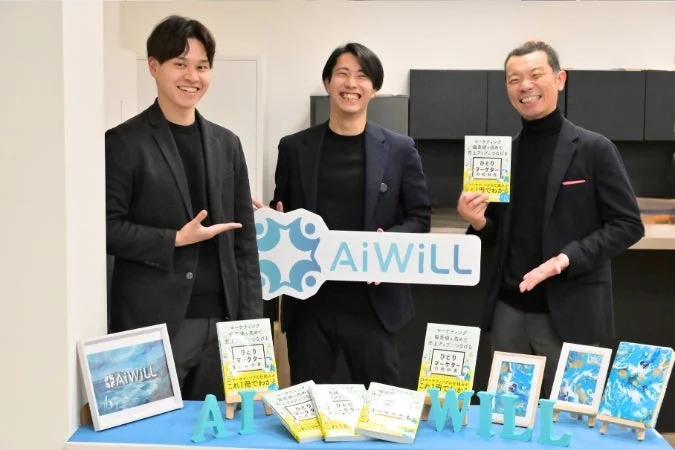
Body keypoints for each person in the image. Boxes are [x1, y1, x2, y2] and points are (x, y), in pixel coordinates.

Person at [457, 40, 644, 395]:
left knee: (572, 418)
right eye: (514, 79)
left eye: (535, 74)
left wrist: (564, 259)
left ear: (559, 79)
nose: (525, 85)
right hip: (508, 314)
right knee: (507, 417)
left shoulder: (594, 149)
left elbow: (628, 225)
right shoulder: (503, 154)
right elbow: (499, 237)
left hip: (571, 314)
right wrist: (476, 221)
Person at [105, 15, 262, 400]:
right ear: (154, 66)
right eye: (180, 64)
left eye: (202, 67)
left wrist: (251, 326)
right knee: (151, 425)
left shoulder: (227, 144)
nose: (192, 76)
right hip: (155, 323)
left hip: (224, 323)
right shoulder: (124, 142)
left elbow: (244, 245)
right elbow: (106, 229)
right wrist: (174, 239)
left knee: (221, 427)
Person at [267, 43, 430, 387]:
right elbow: (281, 211)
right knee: (309, 404)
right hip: (309, 302)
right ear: (328, 82)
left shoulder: (400, 149)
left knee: (378, 406)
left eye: (362, 76)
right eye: (342, 74)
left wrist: (389, 243)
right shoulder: (294, 148)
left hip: (374, 304)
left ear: (374, 88)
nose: (351, 83)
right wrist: (272, 223)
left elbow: (419, 218)